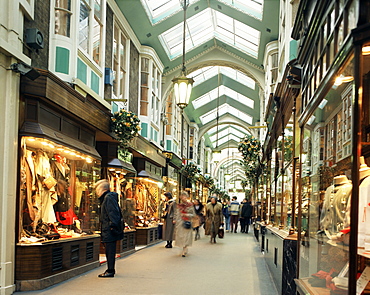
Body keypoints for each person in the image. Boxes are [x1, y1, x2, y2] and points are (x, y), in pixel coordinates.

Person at [95, 179, 124, 278]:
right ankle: (110, 269)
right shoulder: (108, 198)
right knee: (109, 250)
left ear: (102, 189)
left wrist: (112, 226)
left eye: (97, 189)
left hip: (109, 229)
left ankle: (110, 270)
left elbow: (113, 213)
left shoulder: (108, 198)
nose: (96, 192)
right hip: (108, 228)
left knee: (110, 250)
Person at [175, 191, 195, 257]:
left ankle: (185, 248)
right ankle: (184, 247)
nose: (183, 197)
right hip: (180, 222)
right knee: (181, 236)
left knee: (187, 236)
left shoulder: (190, 205)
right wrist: (176, 220)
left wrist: (187, 215)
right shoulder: (179, 205)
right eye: (182, 196)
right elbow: (177, 214)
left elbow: (193, 214)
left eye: (184, 196)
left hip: (187, 222)